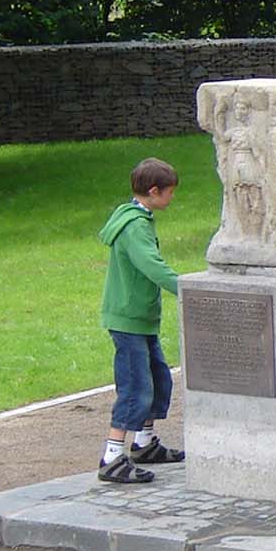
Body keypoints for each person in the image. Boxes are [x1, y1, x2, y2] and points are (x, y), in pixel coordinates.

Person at [95, 158, 184, 484]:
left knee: (159, 379)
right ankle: (112, 458)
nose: (172, 198)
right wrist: (188, 289)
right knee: (135, 387)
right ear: (154, 191)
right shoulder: (134, 226)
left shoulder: (139, 218)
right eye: (170, 192)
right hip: (128, 319)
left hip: (141, 318)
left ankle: (144, 444)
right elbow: (152, 265)